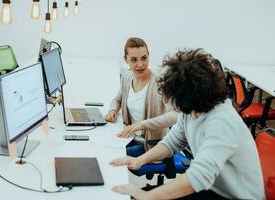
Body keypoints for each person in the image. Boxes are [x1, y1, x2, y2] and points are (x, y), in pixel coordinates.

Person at [110, 49, 265, 200]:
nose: (186, 112)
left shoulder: (222, 122)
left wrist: (148, 196)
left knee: (148, 195)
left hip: (236, 196)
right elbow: (172, 143)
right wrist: (140, 160)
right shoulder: (191, 108)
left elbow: (198, 176)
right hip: (212, 187)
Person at [105, 37, 177, 157]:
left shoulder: (160, 82)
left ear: (148, 56)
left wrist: (142, 124)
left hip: (151, 144)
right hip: (130, 138)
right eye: (134, 60)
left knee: (111, 154)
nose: (140, 64)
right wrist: (113, 110)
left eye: (144, 58)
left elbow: (176, 115)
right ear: (126, 60)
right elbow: (117, 99)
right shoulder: (127, 78)